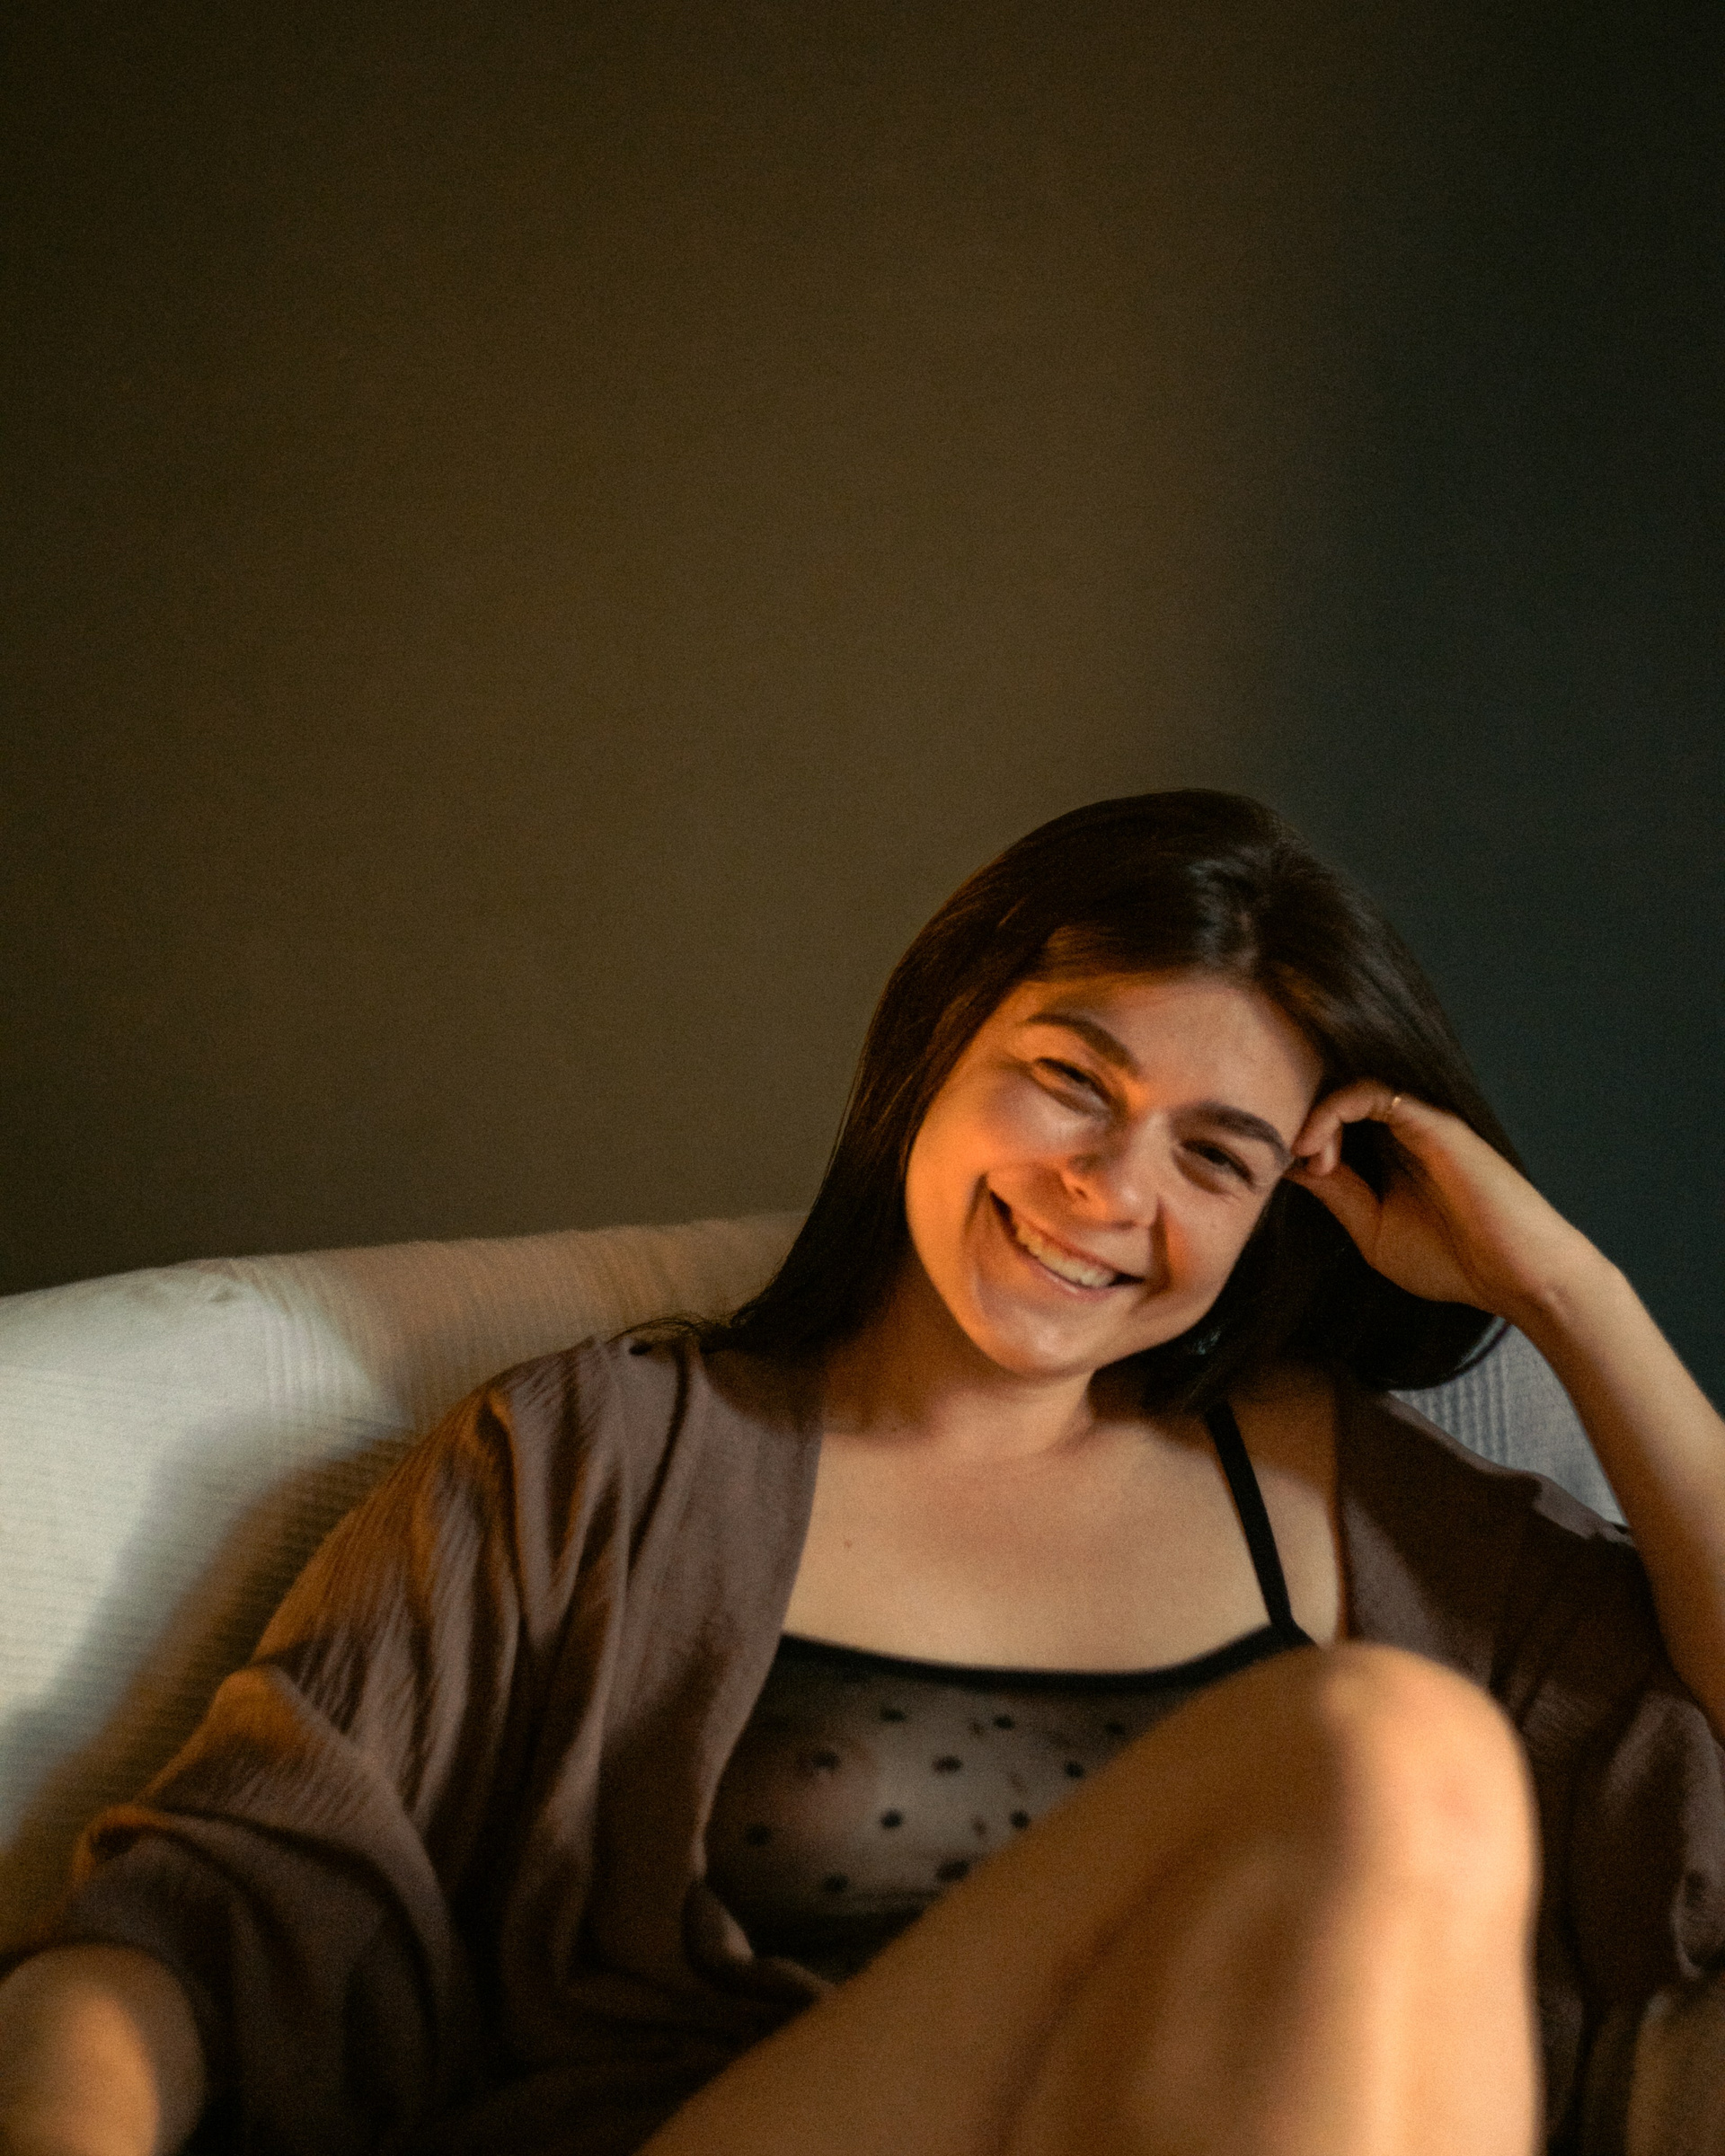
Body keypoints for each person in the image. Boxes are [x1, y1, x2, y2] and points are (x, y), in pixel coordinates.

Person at [3, 791, 1724, 2156]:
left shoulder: (1382, 1519)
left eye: (1215, 1158)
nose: (1112, 1191)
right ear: (936, 1050)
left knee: (1404, 1759)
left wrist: (1565, 1293)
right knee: (1378, 1739)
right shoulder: (598, 1464)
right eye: (1071, 1082)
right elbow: (200, 1935)